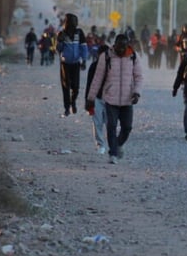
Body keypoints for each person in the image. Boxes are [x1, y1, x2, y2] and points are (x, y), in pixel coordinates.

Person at [87, 33, 143, 163]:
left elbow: (139, 77)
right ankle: (113, 154)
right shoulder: (106, 56)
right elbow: (97, 78)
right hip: (110, 99)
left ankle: (117, 145)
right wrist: (90, 98)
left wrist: (137, 92)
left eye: (124, 46)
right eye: (119, 46)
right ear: (115, 45)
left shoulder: (133, 57)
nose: (122, 49)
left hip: (127, 99)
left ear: (128, 45)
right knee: (111, 126)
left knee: (127, 127)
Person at [56, 13, 88, 117]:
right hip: (65, 63)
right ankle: (66, 108)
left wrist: (84, 60)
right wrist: (60, 42)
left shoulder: (79, 33)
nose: (74, 23)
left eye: (75, 21)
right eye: (72, 21)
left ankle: (72, 102)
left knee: (76, 86)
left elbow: (83, 47)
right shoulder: (62, 34)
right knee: (66, 86)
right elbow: (58, 49)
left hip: (76, 63)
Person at [85, 43, 109, 155]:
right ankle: (100, 145)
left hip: (110, 99)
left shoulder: (113, 66)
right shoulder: (94, 66)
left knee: (110, 123)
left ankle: (110, 144)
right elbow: (89, 84)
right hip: (97, 99)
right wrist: (88, 100)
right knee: (97, 122)